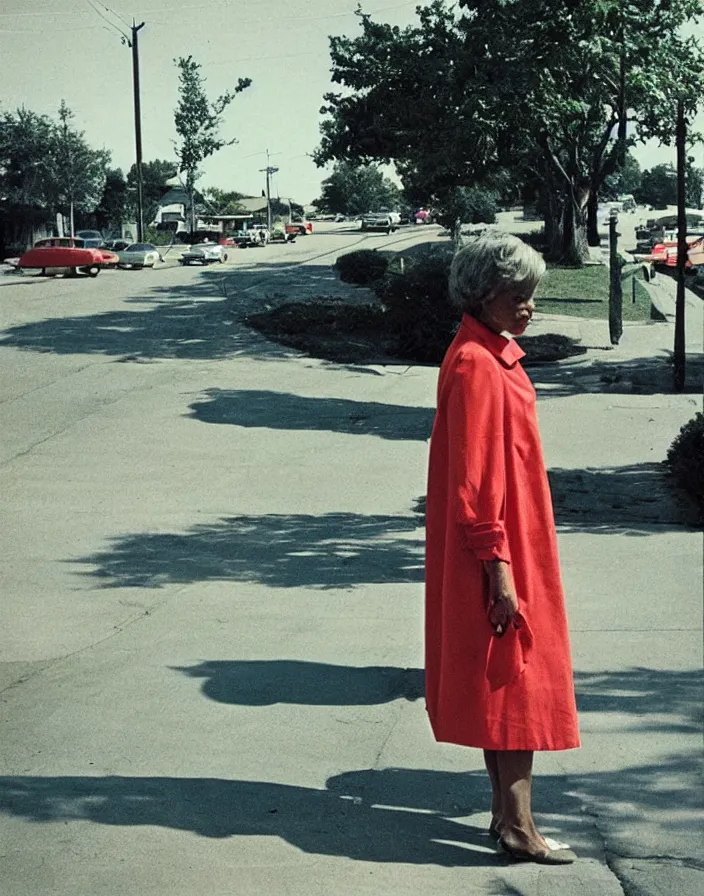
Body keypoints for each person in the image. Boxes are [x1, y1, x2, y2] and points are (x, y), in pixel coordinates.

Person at [424, 232, 580, 865]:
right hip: (499, 544)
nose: (529, 307)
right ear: (484, 295)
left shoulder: (489, 353)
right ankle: (519, 826)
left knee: (503, 681)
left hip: (509, 537)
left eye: (531, 296)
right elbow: (476, 481)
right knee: (518, 679)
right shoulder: (476, 366)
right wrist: (499, 570)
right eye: (518, 296)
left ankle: (502, 815)